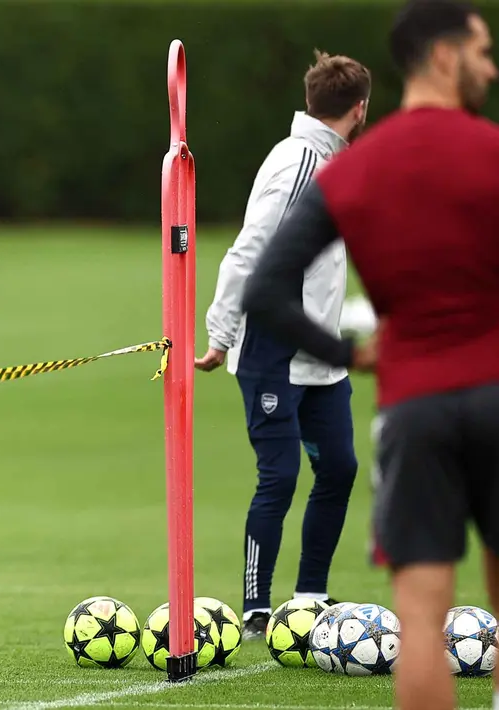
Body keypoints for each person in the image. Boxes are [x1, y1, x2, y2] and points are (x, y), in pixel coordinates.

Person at [240, 1, 499, 708]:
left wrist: (345, 352)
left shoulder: (358, 169)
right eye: (481, 52)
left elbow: (261, 288)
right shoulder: (490, 151)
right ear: (443, 58)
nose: (491, 66)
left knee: (417, 623)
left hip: (413, 407)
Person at [196, 50, 371, 640]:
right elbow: (249, 252)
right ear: (361, 109)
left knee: (340, 469)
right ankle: (254, 608)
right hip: (271, 348)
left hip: (318, 353)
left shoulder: (335, 162)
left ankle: (310, 598)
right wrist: (221, 333)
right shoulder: (298, 163)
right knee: (280, 475)